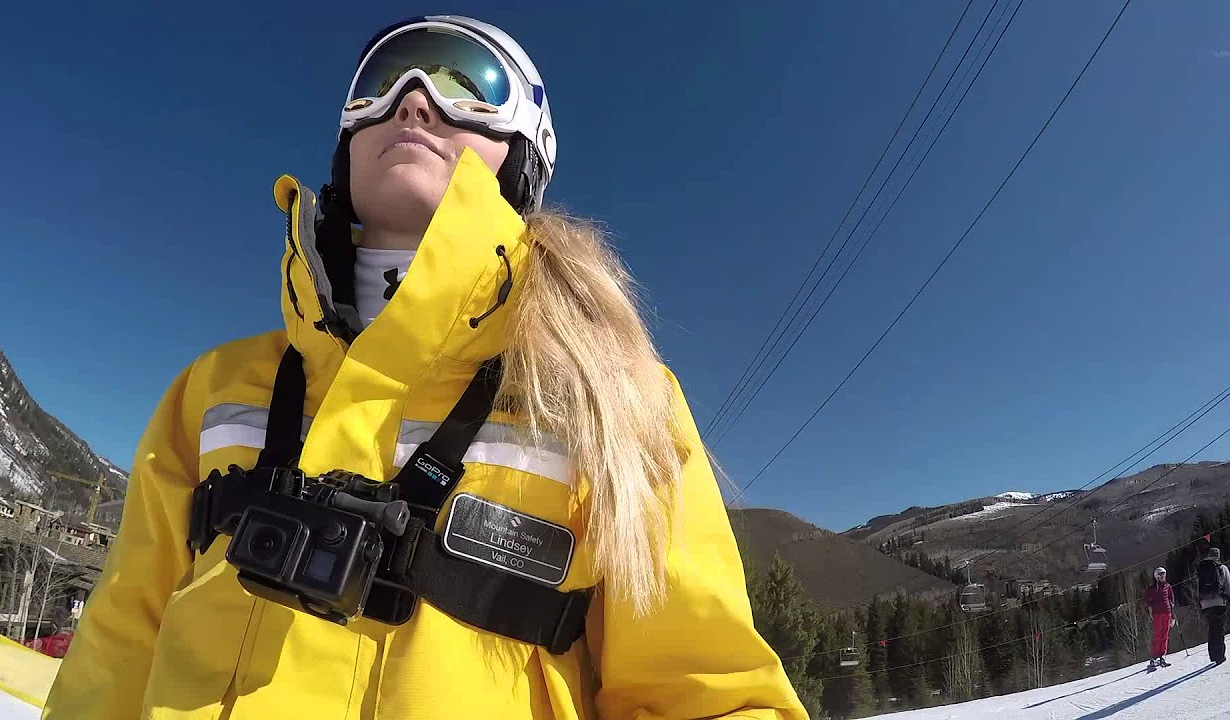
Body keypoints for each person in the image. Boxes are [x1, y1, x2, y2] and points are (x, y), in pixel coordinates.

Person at [42, 15, 807, 720]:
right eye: (383, 84)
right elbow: (116, 649)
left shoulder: (609, 396)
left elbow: (704, 693)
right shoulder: (212, 391)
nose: (413, 105)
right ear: (346, 141)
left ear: (524, 152)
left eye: (469, 86)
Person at [1196, 546, 1230, 666]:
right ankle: (1220, 656)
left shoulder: (1203, 568)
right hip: (1219, 601)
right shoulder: (1222, 568)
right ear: (1218, 555)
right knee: (1219, 628)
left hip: (1205, 603)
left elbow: (1198, 586)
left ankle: (1213, 655)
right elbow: (1228, 584)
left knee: (1212, 628)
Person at [1144, 566, 1174, 669]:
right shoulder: (1152, 588)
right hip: (1157, 613)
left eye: (1163, 574)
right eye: (1160, 575)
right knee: (1157, 635)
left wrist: (1173, 615)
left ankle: (1162, 656)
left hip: (1167, 612)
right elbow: (1147, 600)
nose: (1162, 576)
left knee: (1165, 635)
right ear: (1156, 576)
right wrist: (1151, 608)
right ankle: (1153, 657)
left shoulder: (1167, 586)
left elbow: (1171, 600)